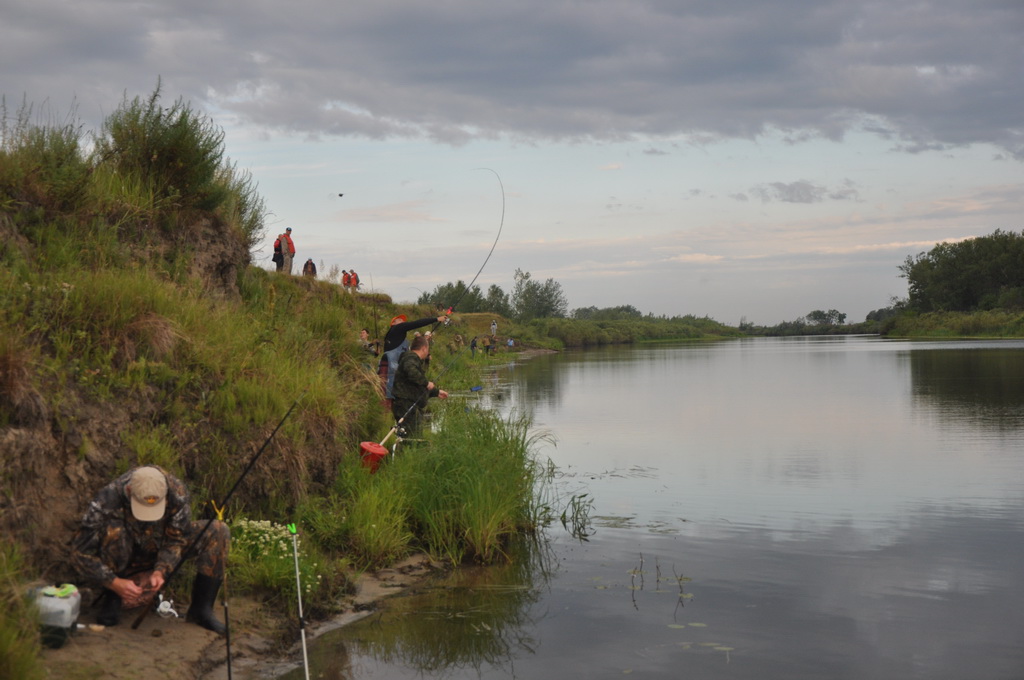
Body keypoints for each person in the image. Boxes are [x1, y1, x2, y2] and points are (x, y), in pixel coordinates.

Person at [69, 466, 230, 634]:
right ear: (130, 491)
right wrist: (113, 582)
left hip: (157, 547)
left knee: (218, 531)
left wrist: (161, 571)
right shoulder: (107, 498)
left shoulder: (177, 492)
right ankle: (114, 596)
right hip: (122, 556)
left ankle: (201, 610)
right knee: (114, 531)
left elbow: (176, 538)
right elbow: (79, 552)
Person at [377, 313, 447, 408]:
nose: (403, 321)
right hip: (389, 368)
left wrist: (425, 340)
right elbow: (416, 323)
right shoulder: (396, 328)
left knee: (390, 397)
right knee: (387, 397)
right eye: (400, 320)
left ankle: (388, 417)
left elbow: (415, 349)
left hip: (394, 369)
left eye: (403, 321)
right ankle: (385, 416)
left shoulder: (397, 337)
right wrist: (436, 319)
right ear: (393, 323)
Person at [391, 334, 448, 435]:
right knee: (412, 436)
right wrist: (426, 383)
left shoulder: (411, 359)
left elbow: (417, 385)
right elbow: (412, 373)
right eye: (428, 349)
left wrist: (436, 392)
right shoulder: (410, 359)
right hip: (405, 404)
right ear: (424, 348)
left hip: (407, 404)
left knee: (411, 435)